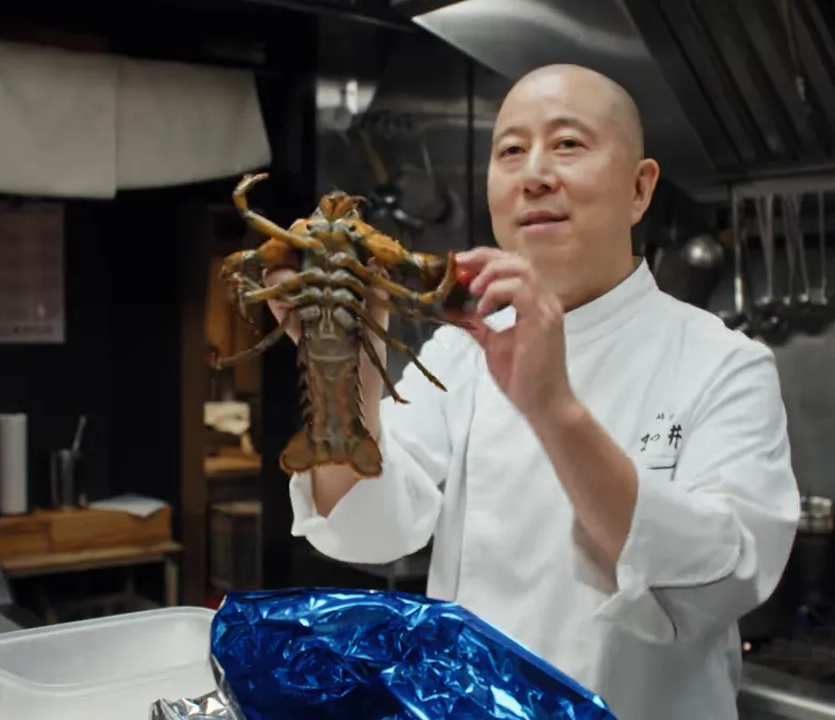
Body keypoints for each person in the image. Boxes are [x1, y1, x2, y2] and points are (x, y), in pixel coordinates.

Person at [264, 64, 800, 719]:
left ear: (639, 188)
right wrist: (345, 383)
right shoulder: (464, 347)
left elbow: (724, 579)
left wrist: (554, 410)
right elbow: (365, 531)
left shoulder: (724, 363)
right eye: (511, 150)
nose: (534, 173)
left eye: (568, 144)